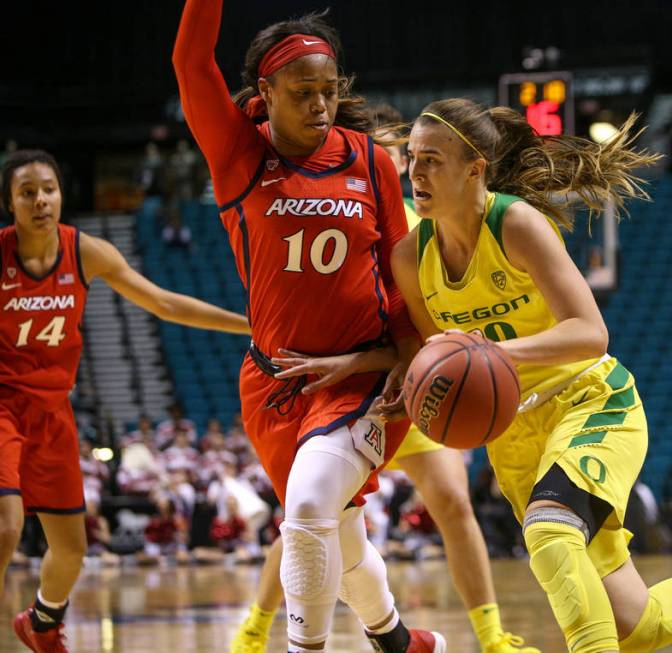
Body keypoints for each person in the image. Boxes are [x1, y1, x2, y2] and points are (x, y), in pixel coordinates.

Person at [387, 98, 672, 652]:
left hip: (587, 401)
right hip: (512, 439)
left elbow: (589, 331)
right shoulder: (408, 259)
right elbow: (427, 356)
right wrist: (409, 387)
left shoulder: (514, 223)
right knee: (637, 625)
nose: (414, 173)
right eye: (412, 159)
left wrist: (490, 353)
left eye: (431, 159)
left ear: (475, 168)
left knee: (549, 531)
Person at [173, 2, 443, 652]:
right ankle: (397, 640)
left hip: (361, 377)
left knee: (308, 509)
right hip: (274, 385)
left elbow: (396, 270)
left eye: (330, 90)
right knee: (338, 533)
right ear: (264, 95)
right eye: (302, 92)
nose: (320, 104)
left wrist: (411, 356)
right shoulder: (240, 155)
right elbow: (189, 61)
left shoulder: (369, 161)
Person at [230, 104, 538, 653]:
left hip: (419, 373)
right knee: (316, 511)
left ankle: (491, 635)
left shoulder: (435, 214)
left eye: (417, 152)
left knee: (448, 499)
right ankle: (264, 627)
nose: (407, 162)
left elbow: (427, 324)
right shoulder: (348, 200)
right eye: (401, 150)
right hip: (355, 377)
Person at [0, 148, 251, 652]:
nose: (40, 200)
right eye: (27, 192)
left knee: (72, 552)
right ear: (10, 202)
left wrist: (248, 324)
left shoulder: (84, 252)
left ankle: (43, 622)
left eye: (48, 189)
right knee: (5, 525)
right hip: (3, 405)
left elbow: (162, 302)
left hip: (52, 412)